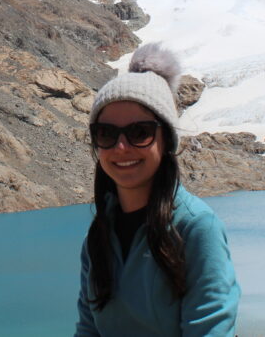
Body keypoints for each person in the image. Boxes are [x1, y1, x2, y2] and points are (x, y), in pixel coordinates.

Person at [75, 43, 240, 336]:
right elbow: (88, 330)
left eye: (140, 132)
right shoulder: (98, 236)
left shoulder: (197, 228)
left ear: (166, 140)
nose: (121, 147)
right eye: (106, 134)